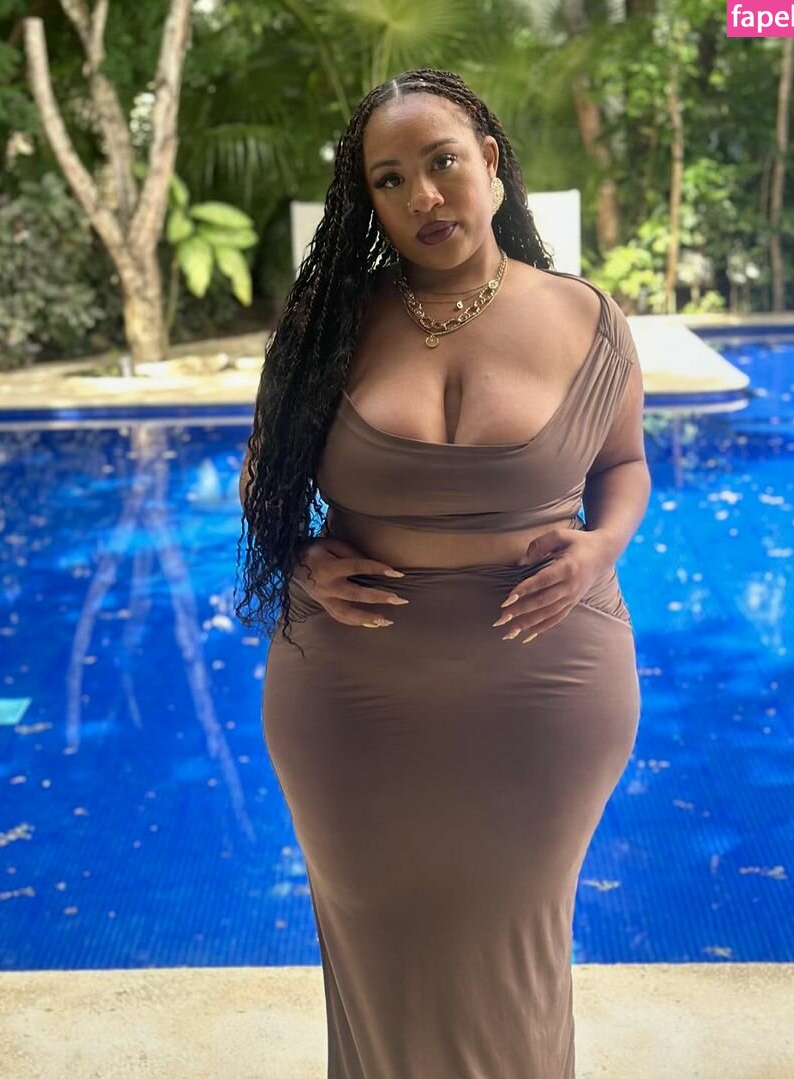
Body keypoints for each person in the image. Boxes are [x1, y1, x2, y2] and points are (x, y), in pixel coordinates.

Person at [236, 67, 650, 1079]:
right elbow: (262, 477)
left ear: (490, 163)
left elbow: (625, 465)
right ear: (368, 201)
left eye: (443, 162)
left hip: (545, 681)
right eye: (390, 179)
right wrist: (299, 557)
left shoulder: (587, 318)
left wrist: (600, 546)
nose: (423, 195)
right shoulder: (328, 324)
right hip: (353, 689)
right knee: (377, 940)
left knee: (516, 945)